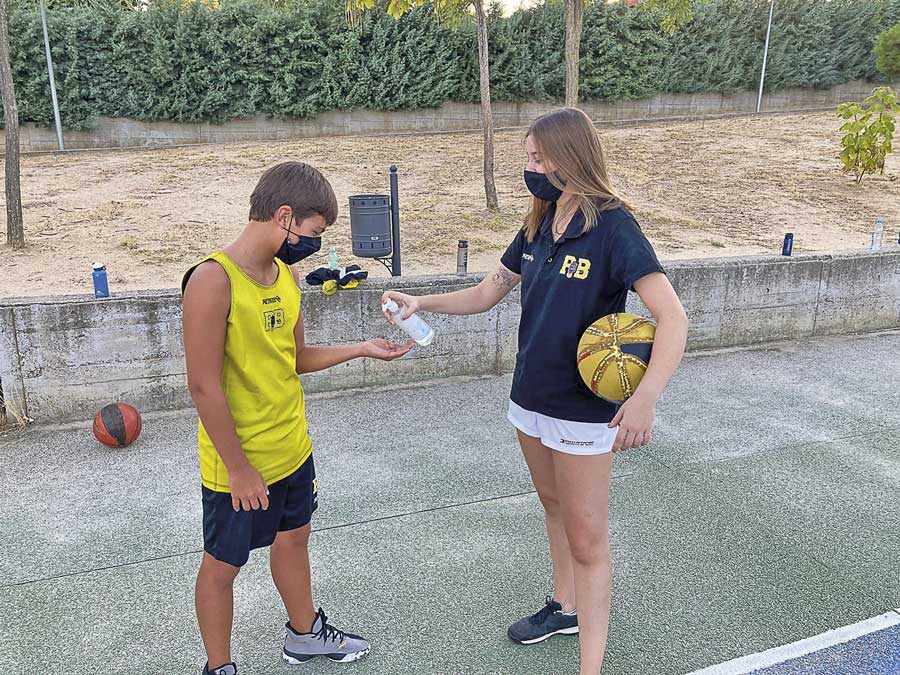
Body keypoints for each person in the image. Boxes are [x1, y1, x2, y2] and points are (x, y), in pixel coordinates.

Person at [382, 108, 688, 674]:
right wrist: (420, 302)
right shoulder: (537, 223)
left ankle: (589, 668)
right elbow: (486, 292)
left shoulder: (615, 228)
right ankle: (564, 605)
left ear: (571, 158)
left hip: (582, 412)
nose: (531, 168)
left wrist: (644, 398)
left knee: (589, 543)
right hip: (530, 401)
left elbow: (673, 318)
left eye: (537, 158)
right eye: (528, 157)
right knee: (553, 508)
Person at [182, 161, 413, 675]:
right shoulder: (211, 280)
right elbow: (203, 386)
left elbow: (294, 358)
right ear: (284, 216)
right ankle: (218, 666)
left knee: (294, 538)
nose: (313, 244)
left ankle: (304, 636)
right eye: (314, 233)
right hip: (238, 464)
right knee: (223, 566)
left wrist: (360, 349)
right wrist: (239, 469)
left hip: (292, 447)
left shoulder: (284, 275)